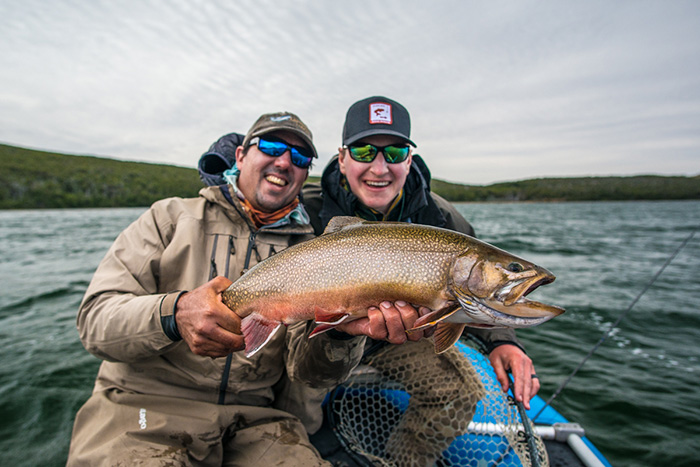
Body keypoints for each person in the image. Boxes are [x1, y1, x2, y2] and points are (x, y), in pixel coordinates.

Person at [67, 111, 429, 466]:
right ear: (240, 155)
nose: (285, 162)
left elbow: (309, 376)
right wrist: (173, 314)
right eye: (271, 146)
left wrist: (341, 337)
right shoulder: (169, 218)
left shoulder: (318, 250)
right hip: (145, 407)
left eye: (301, 157)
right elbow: (94, 323)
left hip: (261, 421)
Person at [302, 96, 541, 466]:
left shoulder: (441, 217)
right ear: (343, 156)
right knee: (297, 396)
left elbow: (480, 286)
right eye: (365, 151)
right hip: (316, 332)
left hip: (403, 336)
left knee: (458, 391)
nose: (379, 167)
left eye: (395, 152)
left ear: (409, 159)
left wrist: (503, 340)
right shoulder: (307, 207)